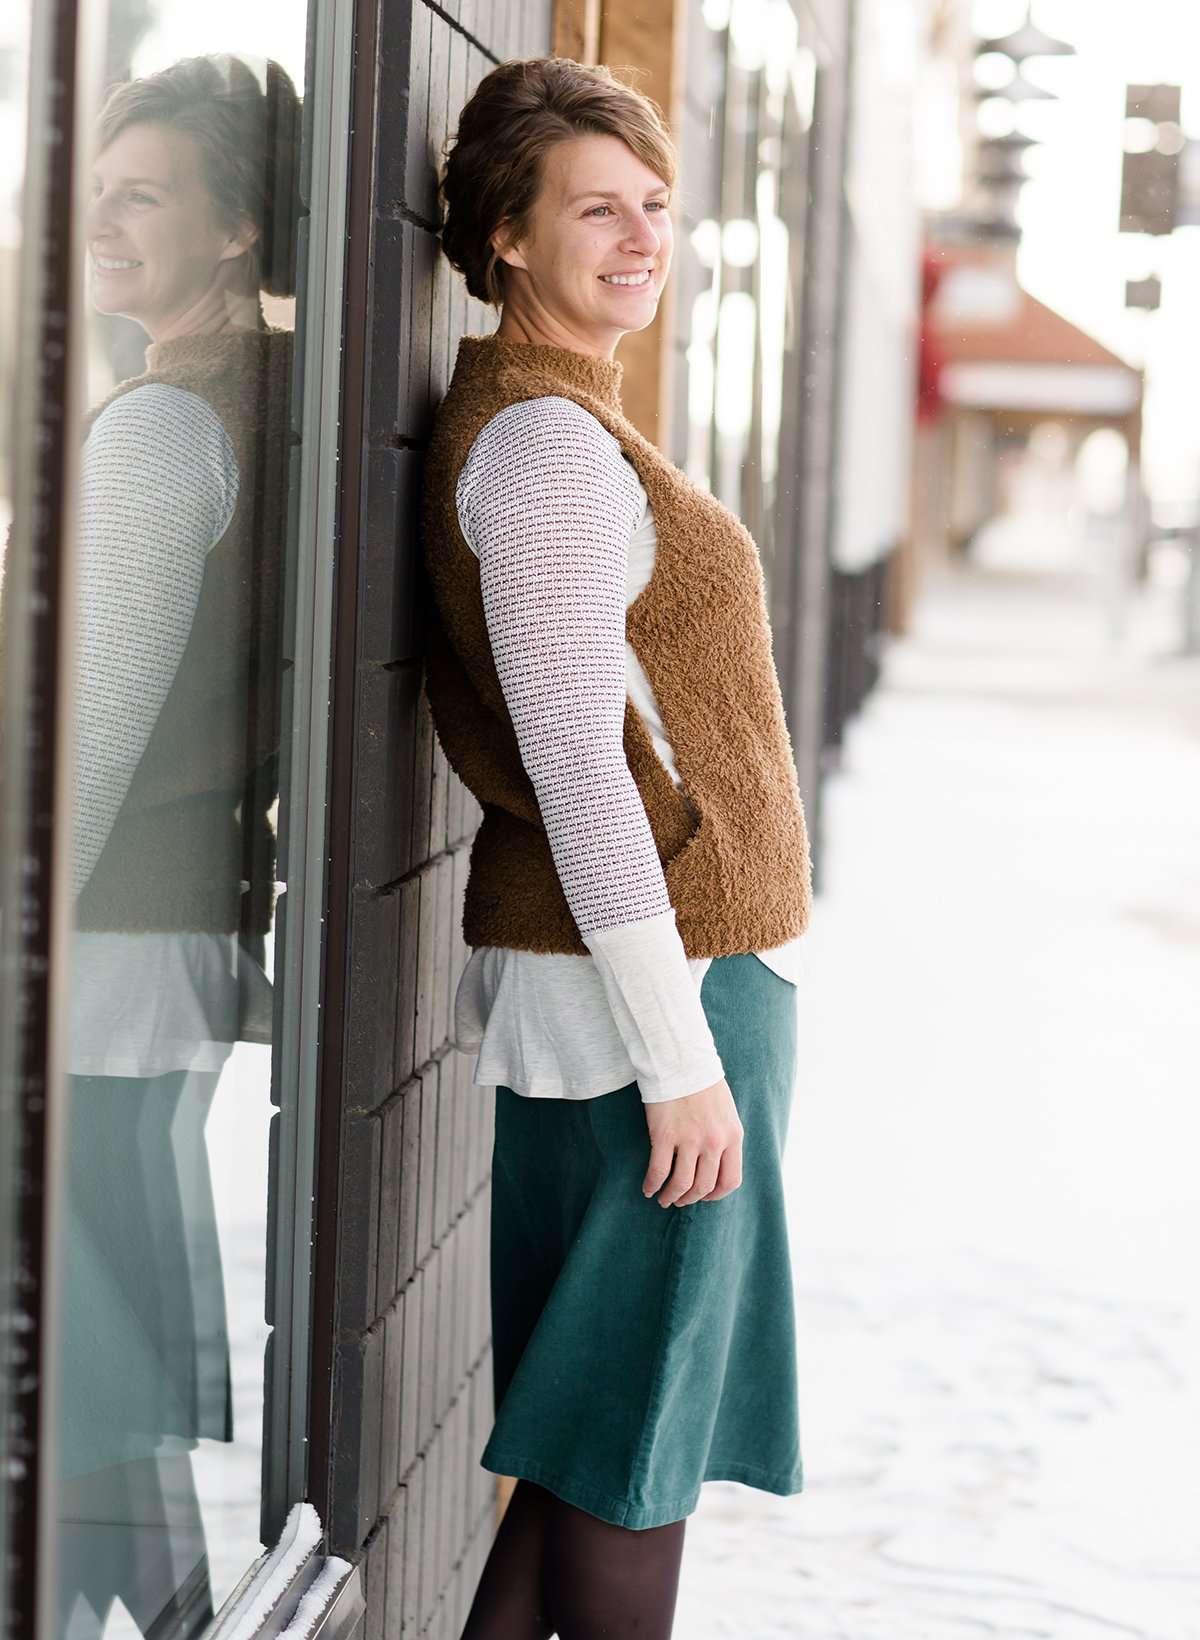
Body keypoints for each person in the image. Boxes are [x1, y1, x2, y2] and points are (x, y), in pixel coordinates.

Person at [421, 56, 814, 1640]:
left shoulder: (572, 428)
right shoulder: (544, 454)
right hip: (645, 1005)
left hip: (655, 991)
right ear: (508, 237)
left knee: (594, 1450)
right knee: (629, 1465)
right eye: (597, 207)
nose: (642, 235)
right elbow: (582, 772)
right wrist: (680, 1058)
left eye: (654, 203)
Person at [48, 52, 296, 1638]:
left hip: (100, 949)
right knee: (99, 1372)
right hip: (171, 939)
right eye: (97, 189)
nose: (102, 221)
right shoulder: (264, 397)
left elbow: (87, 738)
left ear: (234, 233)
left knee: (84, 1366)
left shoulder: (155, 434)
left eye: (144, 194)